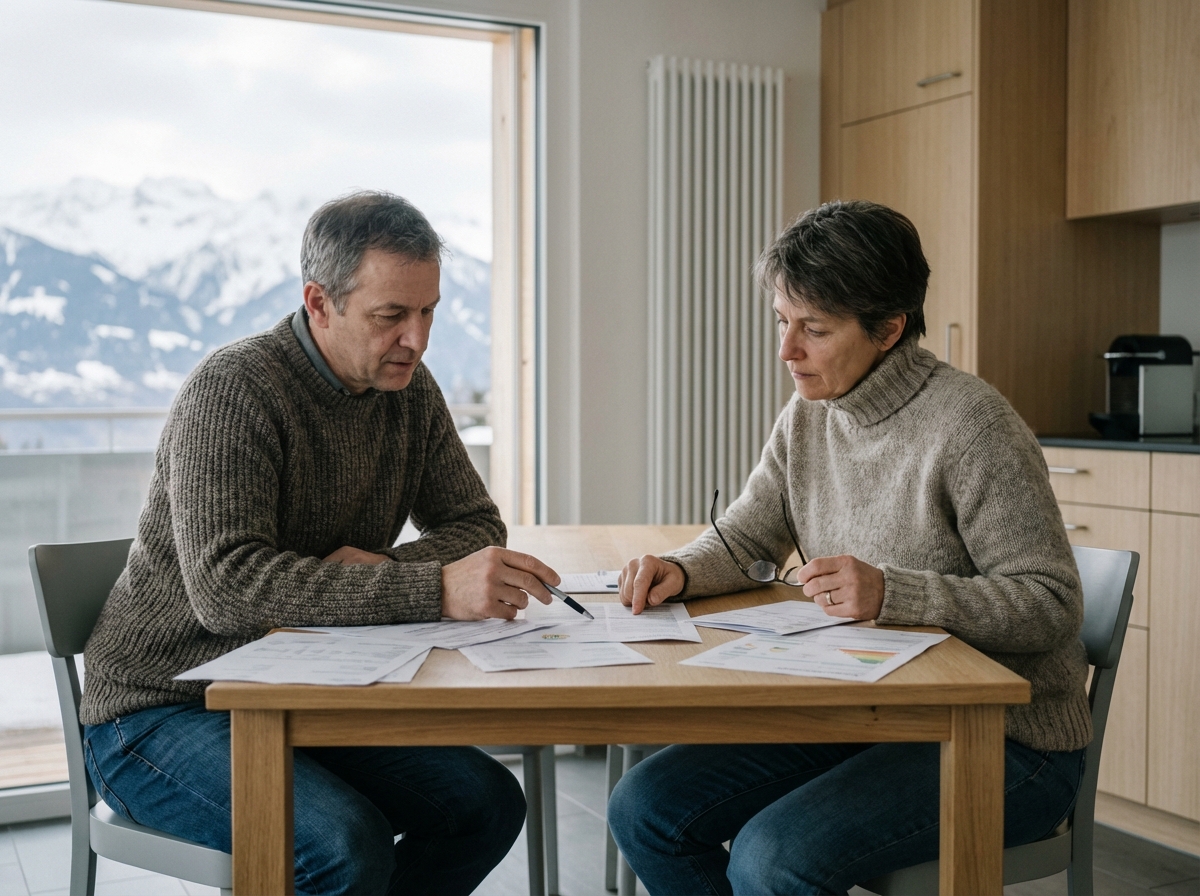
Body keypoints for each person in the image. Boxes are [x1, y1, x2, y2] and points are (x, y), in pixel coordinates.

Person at [80, 191, 559, 896]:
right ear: (319, 302)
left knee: (484, 806)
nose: (417, 339)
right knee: (344, 847)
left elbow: (475, 527)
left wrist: (390, 566)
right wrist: (428, 585)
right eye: (390, 316)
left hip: (302, 690)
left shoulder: (409, 390)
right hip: (162, 707)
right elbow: (226, 589)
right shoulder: (234, 390)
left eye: (427, 311)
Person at [609, 200, 1089, 895]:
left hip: (1007, 741)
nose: (786, 350)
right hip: (869, 708)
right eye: (782, 320)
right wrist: (679, 571)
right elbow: (746, 536)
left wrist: (894, 593)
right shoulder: (809, 414)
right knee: (646, 808)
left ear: (889, 328)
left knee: (770, 859)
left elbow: (1051, 605)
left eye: (815, 329)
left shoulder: (973, 426)